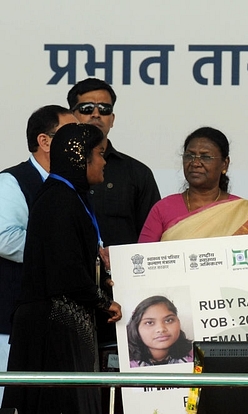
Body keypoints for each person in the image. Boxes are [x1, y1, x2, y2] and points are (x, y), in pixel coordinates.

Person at [2, 123, 123, 414]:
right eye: (99, 154)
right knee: (59, 403)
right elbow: (65, 270)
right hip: (51, 328)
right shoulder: (58, 199)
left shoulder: (71, 197)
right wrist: (103, 302)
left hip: (62, 321)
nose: (104, 162)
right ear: (80, 157)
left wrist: (102, 280)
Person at [67, 78, 160, 412]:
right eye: (86, 108)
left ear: (113, 118)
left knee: (124, 397)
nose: (96, 115)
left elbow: (153, 242)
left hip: (121, 304)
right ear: (71, 113)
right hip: (67, 302)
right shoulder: (55, 176)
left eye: (104, 109)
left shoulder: (136, 174)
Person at [0, 105, 77, 403]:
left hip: (58, 324)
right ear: (45, 142)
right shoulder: (12, 182)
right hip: (12, 323)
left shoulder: (74, 185)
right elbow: (5, 239)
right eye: (70, 135)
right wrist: (62, 254)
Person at [139, 126, 248, 242]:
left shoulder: (244, 213)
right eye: (189, 155)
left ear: (224, 164)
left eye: (206, 157)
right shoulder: (163, 208)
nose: (195, 163)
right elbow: (142, 260)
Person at [127, 295, 193, 367]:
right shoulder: (126, 364)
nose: (161, 329)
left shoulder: (196, 357)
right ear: (136, 328)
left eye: (169, 320)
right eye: (149, 323)